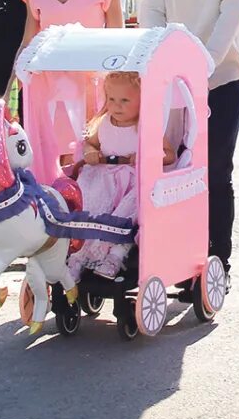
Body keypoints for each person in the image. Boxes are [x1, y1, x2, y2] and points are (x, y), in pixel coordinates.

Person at [138, 0, 239, 276]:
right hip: (171, 81)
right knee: (171, 169)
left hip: (221, 76)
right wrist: (157, 59)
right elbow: (151, 7)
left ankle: (218, 259)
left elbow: (232, 9)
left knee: (217, 170)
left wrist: (201, 64)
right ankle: (177, 254)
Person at [68, 70, 166, 286]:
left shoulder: (145, 126)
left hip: (131, 179)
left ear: (142, 100)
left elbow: (168, 154)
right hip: (104, 177)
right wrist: (90, 151)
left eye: (124, 100)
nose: (117, 105)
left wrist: (145, 156)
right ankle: (79, 256)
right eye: (111, 99)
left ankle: (115, 256)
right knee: (91, 210)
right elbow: (90, 143)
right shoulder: (104, 122)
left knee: (127, 213)